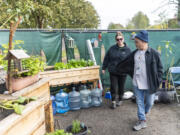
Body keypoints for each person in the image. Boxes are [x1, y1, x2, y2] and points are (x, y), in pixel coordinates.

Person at [116, 30, 163, 131]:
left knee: (150, 103)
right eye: (135, 41)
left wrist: (158, 81)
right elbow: (126, 64)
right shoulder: (135, 54)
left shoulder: (154, 53)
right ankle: (142, 120)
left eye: (137, 41)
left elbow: (160, 69)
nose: (135, 43)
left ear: (144, 41)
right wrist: (116, 68)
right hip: (137, 83)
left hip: (150, 84)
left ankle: (144, 114)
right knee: (140, 102)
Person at [102, 31, 131, 109]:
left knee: (121, 87)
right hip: (113, 71)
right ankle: (113, 101)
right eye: (118, 39)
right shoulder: (112, 49)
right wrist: (104, 68)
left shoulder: (127, 50)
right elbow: (106, 58)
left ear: (123, 39)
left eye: (121, 39)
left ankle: (120, 99)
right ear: (116, 40)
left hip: (123, 72)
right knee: (113, 87)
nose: (119, 41)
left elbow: (130, 61)